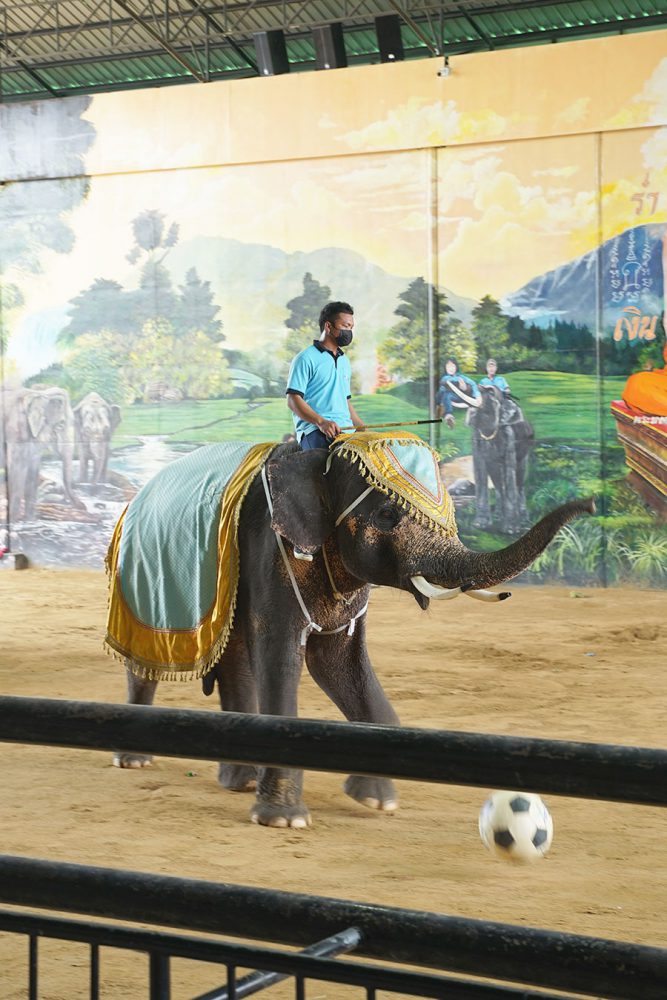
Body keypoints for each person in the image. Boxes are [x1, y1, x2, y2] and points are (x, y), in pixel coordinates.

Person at [286, 301, 365, 450]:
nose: (349, 332)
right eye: (345, 326)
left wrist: (361, 427)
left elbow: (345, 401)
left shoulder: (345, 361)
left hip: (346, 431)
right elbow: (292, 399)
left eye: (351, 327)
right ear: (328, 326)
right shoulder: (305, 358)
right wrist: (321, 422)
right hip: (315, 431)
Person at [436, 358, 480, 428]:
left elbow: (473, 383)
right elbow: (443, 388)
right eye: (448, 366)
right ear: (445, 368)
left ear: (456, 367)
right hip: (450, 397)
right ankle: (449, 416)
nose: (451, 368)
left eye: (453, 366)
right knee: (445, 393)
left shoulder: (461, 377)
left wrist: (477, 395)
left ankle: (470, 416)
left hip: (463, 397)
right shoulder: (445, 378)